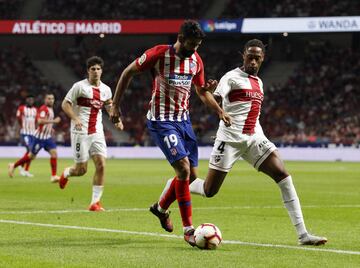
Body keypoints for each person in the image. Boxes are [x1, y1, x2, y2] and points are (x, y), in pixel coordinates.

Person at [162, 39, 328, 246]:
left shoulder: (259, 83)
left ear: (262, 59)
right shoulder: (231, 77)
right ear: (243, 55)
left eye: (257, 58)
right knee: (208, 190)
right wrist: (208, 92)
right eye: (250, 56)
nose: (253, 61)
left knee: (283, 175)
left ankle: (303, 235)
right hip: (229, 140)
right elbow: (212, 97)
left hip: (255, 138)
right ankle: (176, 184)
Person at [110, 20, 230, 246]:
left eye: (198, 45)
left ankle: (160, 208)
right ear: (181, 38)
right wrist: (116, 105)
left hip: (183, 122)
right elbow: (128, 72)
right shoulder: (159, 54)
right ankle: (188, 230)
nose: (194, 49)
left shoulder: (196, 60)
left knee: (190, 176)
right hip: (161, 121)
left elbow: (201, 92)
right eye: (191, 44)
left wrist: (219, 110)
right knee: (183, 169)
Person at [58, 56, 122, 212]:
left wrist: (116, 120)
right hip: (80, 132)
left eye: (98, 69)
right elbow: (65, 104)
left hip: (97, 132)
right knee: (81, 170)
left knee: (101, 165)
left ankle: (95, 203)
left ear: (102, 71)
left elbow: (108, 106)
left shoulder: (106, 89)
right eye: (93, 69)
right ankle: (66, 173)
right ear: (88, 71)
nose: (96, 71)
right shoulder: (79, 87)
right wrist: (75, 117)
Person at [9, 93, 61, 182]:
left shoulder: (50, 109)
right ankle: (14, 165)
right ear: (45, 100)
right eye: (49, 98)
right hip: (39, 138)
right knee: (31, 156)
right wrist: (54, 121)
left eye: (52, 98)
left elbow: (44, 122)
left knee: (54, 153)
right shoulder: (43, 109)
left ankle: (53, 176)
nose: (51, 100)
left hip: (47, 137)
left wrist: (50, 128)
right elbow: (40, 121)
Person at [16, 94, 37, 177]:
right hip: (25, 133)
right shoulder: (21, 108)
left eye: (32, 100)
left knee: (31, 152)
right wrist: (22, 126)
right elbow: (18, 118)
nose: (30, 101)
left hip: (33, 133)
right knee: (30, 150)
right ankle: (21, 167)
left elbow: (37, 120)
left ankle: (25, 170)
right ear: (26, 100)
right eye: (29, 100)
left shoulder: (35, 110)